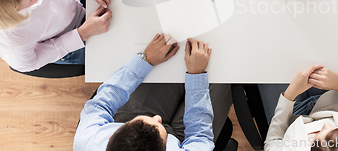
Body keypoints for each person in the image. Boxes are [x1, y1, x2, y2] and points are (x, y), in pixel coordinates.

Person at [74, 34, 232, 151]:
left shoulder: (88, 141)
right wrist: (197, 76)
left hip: (131, 124)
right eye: (158, 122)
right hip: (184, 141)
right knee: (222, 66)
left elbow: (101, 104)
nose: (158, 118)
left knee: (171, 53)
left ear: (111, 137)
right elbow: (200, 137)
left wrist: (145, 60)